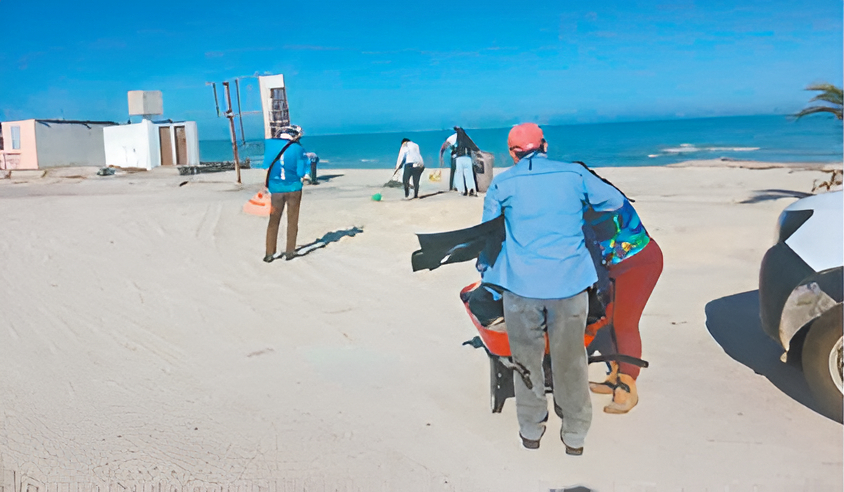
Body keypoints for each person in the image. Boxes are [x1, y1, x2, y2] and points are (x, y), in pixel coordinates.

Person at [479, 123, 625, 454]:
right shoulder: (573, 175)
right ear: (544, 145)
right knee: (571, 359)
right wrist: (579, 209)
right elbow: (614, 202)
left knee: (525, 360)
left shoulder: (503, 183)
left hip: (521, 287)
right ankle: (574, 434)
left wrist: (487, 269)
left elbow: (488, 233)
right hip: (570, 284)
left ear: (512, 153)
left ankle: (531, 430)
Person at [582, 168, 663, 414]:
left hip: (640, 263)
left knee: (625, 324)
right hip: (617, 268)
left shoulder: (606, 199)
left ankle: (628, 387)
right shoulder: (586, 202)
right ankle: (616, 374)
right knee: (610, 318)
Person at [263, 125, 310, 263]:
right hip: (294, 188)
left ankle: (269, 253)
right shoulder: (298, 149)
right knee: (292, 220)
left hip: (276, 189)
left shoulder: (271, 148)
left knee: (273, 221)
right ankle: (290, 251)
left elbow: (267, 166)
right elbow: (301, 172)